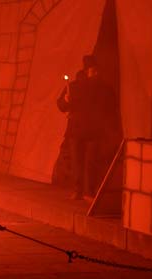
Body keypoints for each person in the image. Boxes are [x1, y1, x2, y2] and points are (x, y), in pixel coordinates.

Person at [57, 55, 117, 200]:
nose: (96, 73)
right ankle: (78, 190)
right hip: (76, 131)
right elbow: (61, 106)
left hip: (94, 131)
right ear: (86, 71)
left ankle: (88, 191)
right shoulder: (73, 87)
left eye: (97, 71)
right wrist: (65, 101)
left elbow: (110, 108)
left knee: (91, 162)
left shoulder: (103, 89)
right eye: (93, 70)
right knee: (77, 162)